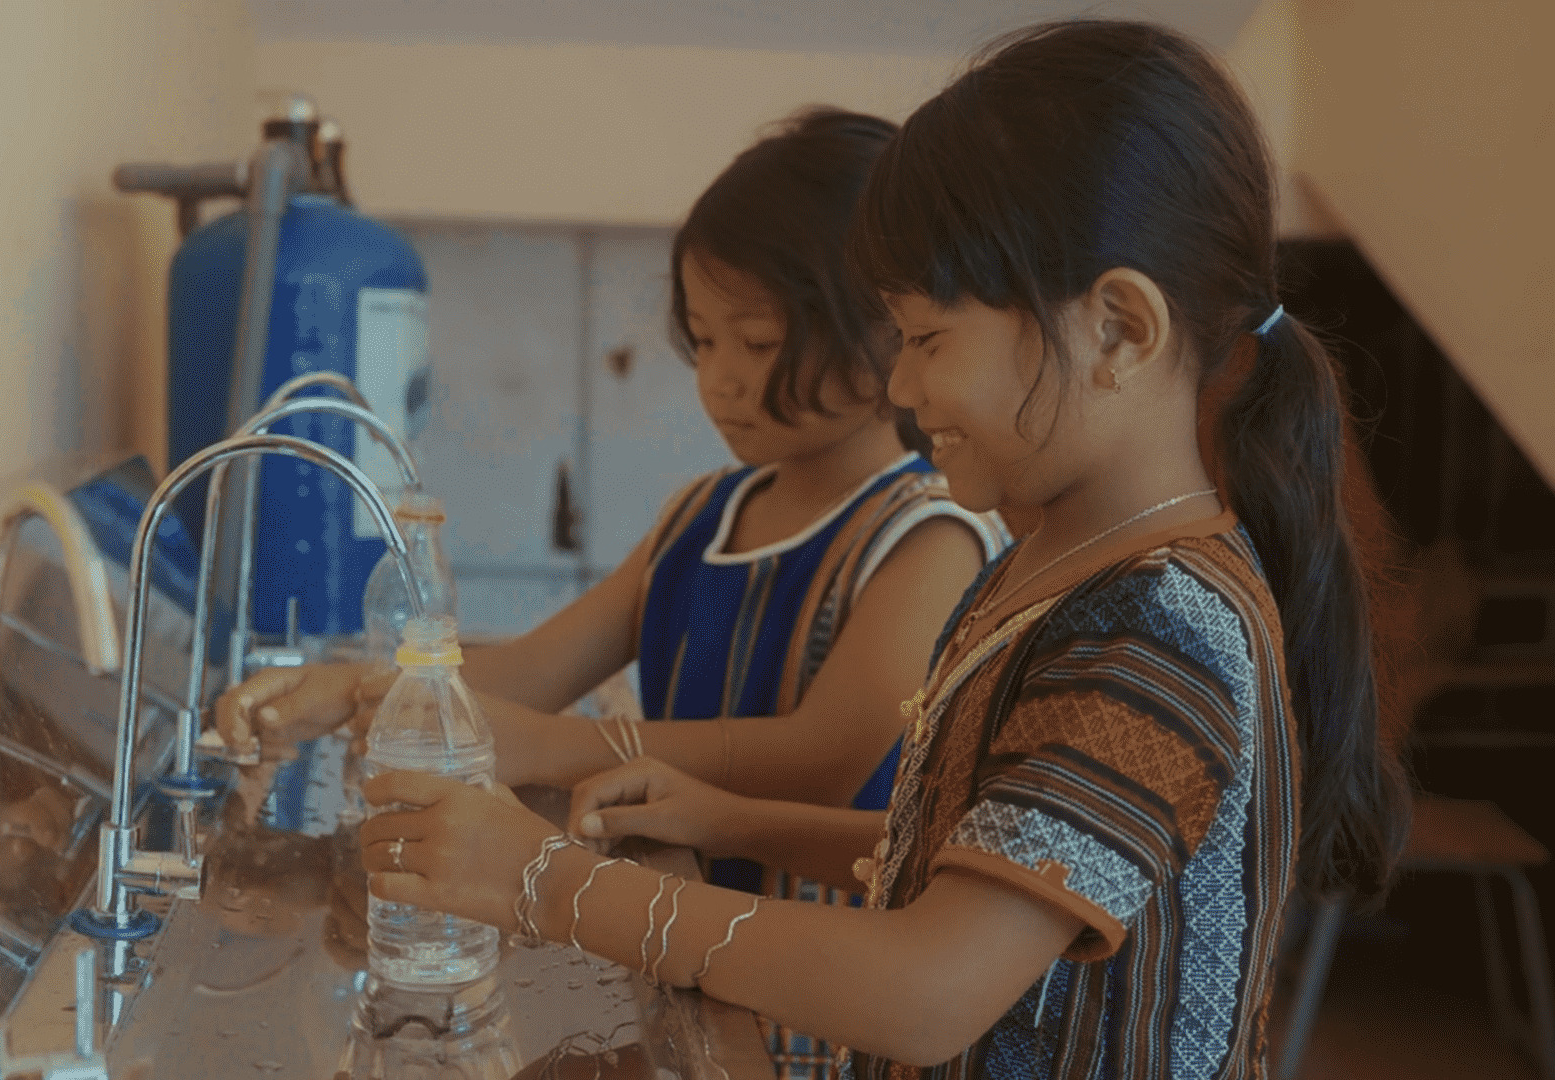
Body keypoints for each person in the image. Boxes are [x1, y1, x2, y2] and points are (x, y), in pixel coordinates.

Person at [352, 20, 1410, 1078]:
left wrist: (544, 881)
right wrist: (736, 820)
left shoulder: (1159, 634)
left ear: (1120, 330)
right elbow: (960, 862)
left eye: (928, 339)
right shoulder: (1053, 567)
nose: (900, 389)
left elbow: (926, 992)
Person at [219, 109, 1005, 880]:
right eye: (702, 340)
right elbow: (531, 669)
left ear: (888, 329)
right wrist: (354, 691)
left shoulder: (927, 537)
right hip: (677, 932)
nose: (720, 376)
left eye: (759, 342)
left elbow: (819, 762)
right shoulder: (702, 517)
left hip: (819, 978)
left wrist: (551, 745)